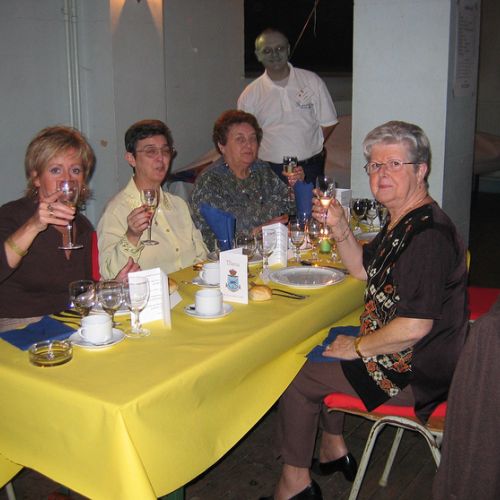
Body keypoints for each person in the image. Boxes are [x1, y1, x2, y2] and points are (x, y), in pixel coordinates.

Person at [260, 121, 468, 500]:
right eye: (375, 165)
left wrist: (358, 348)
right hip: (405, 352)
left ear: (421, 170)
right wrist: (340, 224)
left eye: (394, 164)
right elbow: (360, 268)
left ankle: (294, 485)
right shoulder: (403, 220)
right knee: (325, 342)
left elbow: (415, 327)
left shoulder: (427, 237)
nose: (381, 174)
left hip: (415, 371)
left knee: (295, 376)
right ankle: (333, 447)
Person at [0, 125, 138, 332]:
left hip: (68, 322)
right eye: (55, 170)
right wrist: (33, 225)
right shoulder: (13, 215)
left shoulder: (81, 226)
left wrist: (114, 285)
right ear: (36, 177)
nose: (67, 179)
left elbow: (81, 291)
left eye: (75, 170)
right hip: (20, 326)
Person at [97, 119, 207, 278]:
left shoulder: (178, 205)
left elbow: (201, 255)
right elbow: (110, 276)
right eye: (151, 151)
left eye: (165, 151)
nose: (161, 158)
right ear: (131, 158)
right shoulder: (116, 211)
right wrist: (132, 236)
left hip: (190, 290)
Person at [191, 110, 303, 251]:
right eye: (240, 139)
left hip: (267, 249)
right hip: (226, 257)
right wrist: (261, 230)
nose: (248, 145)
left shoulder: (261, 169)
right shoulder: (210, 182)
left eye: (252, 139)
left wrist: (295, 188)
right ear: (221, 146)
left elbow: (288, 209)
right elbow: (226, 231)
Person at [237, 28, 338, 186]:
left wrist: (309, 146)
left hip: (310, 168)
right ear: (258, 55)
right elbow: (245, 135)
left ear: (288, 50)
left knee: (312, 203)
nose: (275, 54)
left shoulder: (312, 81)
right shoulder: (250, 94)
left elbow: (329, 122)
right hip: (269, 171)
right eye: (267, 50)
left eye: (280, 48)